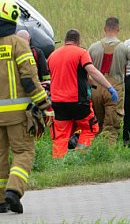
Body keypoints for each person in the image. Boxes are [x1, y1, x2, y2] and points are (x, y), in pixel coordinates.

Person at [0, 0, 50, 214]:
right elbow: (29, 80)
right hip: (17, 116)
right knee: (24, 151)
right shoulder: (18, 44)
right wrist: (44, 105)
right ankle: (13, 191)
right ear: (12, 20)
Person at [47, 29, 118, 159]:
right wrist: (109, 87)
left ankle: (58, 163)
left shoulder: (53, 55)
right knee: (89, 128)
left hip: (57, 103)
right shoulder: (81, 52)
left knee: (61, 135)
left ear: (65, 41)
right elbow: (92, 70)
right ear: (78, 41)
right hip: (78, 102)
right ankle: (79, 158)